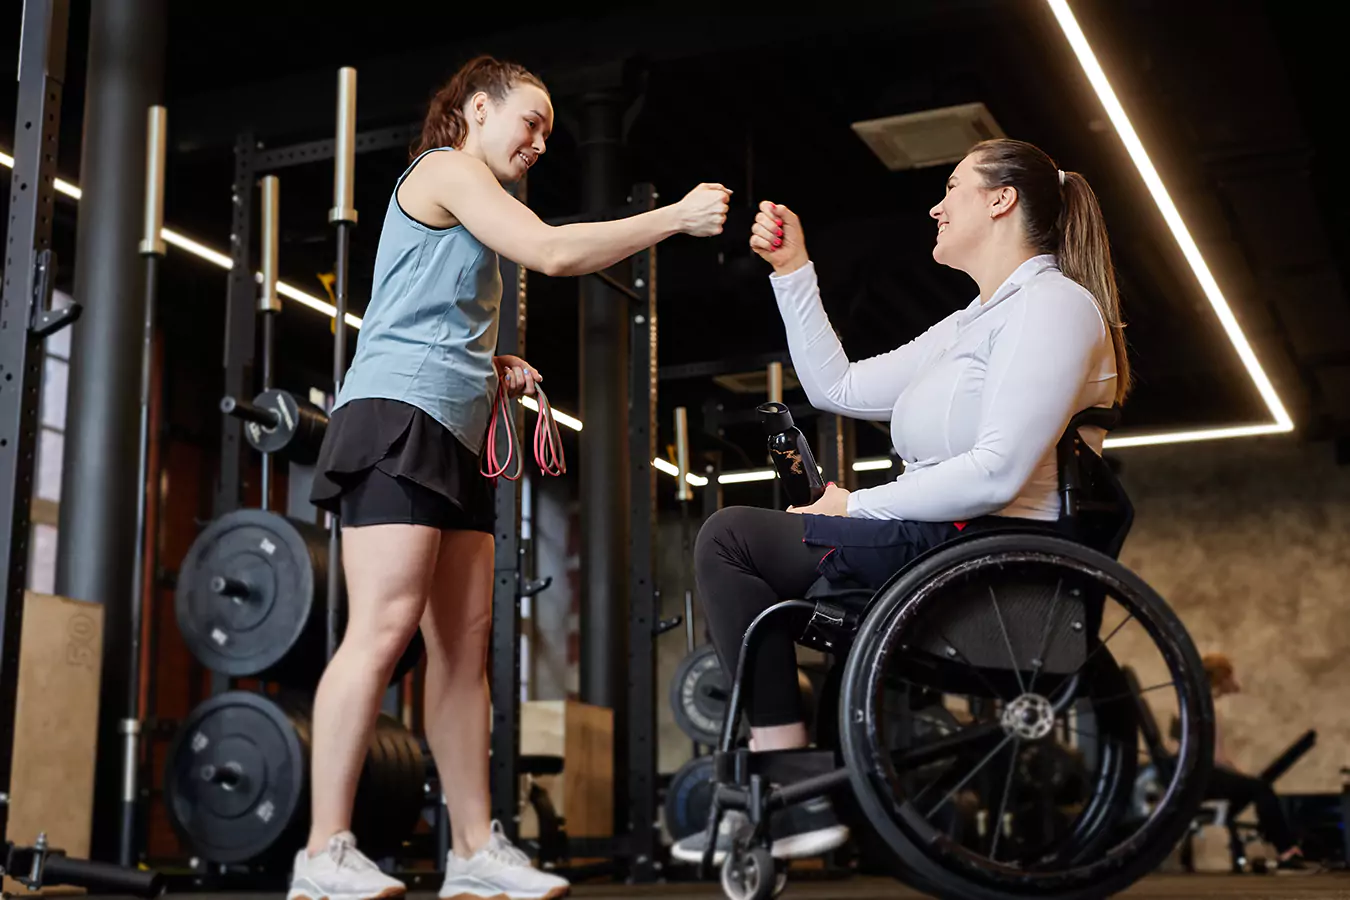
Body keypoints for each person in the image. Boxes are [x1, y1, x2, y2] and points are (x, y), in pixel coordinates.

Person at [286, 55, 731, 900]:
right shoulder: (447, 167)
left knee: (464, 653)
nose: (539, 141)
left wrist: (491, 365)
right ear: (478, 109)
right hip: (395, 419)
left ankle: (472, 851)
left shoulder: (472, 196)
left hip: (449, 426)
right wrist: (673, 217)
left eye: (549, 134)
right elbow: (555, 253)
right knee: (383, 630)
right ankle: (322, 853)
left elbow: (425, 310)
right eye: (530, 121)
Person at [673, 138, 1130, 865]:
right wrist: (794, 273)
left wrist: (856, 507)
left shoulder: (1055, 307)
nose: (936, 205)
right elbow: (840, 389)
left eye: (952, 188)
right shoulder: (971, 322)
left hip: (983, 556)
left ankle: (789, 777)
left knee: (732, 540)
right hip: (939, 542)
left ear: (1000, 200)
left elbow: (996, 473)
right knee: (737, 543)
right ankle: (790, 778)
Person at [1201, 653, 1309, 872]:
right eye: (1229, 676)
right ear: (1220, 679)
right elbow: (1215, 758)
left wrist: (1238, 775)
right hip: (1203, 778)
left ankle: (1279, 844)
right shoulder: (1206, 708)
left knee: (1256, 787)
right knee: (1259, 788)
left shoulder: (1201, 704)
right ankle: (1287, 850)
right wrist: (1240, 775)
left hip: (1203, 776)